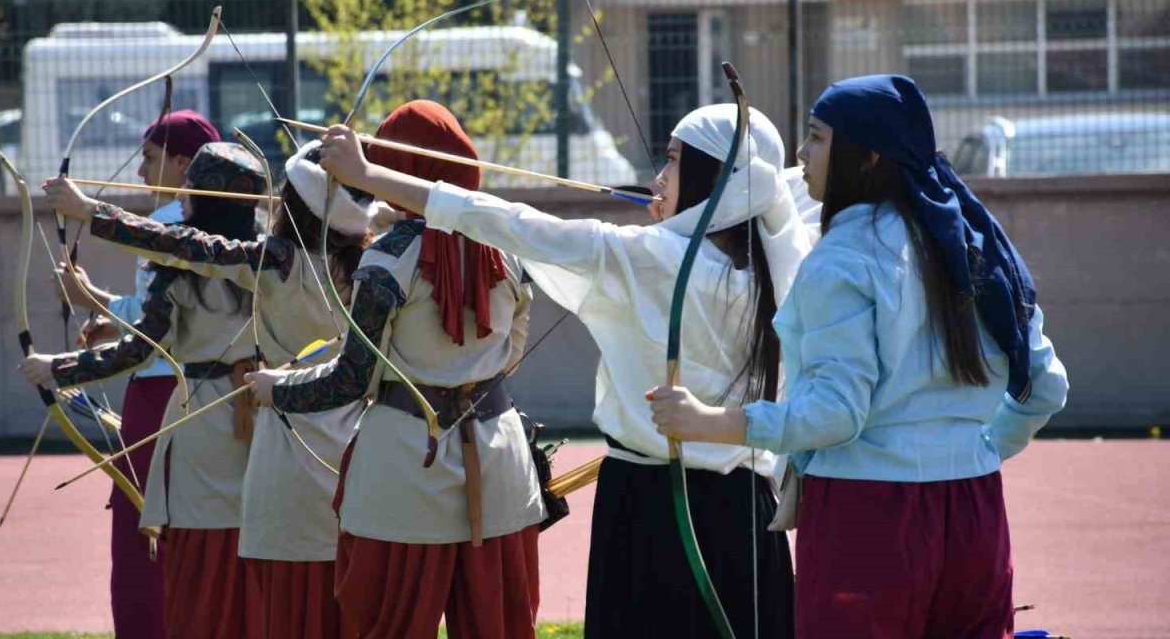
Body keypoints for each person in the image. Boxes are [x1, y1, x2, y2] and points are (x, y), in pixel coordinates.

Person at [309, 102, 811, 638]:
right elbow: (783, 185)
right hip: (747, 513)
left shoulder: (646, 256)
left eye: (673, 161)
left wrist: (367, 175)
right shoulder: (786, 259)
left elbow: (510, 223)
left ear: (715, 179)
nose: (658, 178)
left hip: (652, 506)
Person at [647, 75, 1070, 639]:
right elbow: (1044, 387)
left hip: (868, 517)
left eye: (817, 138)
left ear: (867, 156)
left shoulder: (842, 258)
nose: (800, 154)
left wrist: (708, 422)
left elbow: (834, 414)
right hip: (976, 509)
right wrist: (977, 447)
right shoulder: (974, 241)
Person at [46, 137, 375, 638]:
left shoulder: (274, 262)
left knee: (218, 584)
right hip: (345, 438)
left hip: (271, 433)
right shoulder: (371, 264)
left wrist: (88, 211)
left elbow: (182, 247)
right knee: (316, 586)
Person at [247, 100, 543, 639]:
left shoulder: (386, 260)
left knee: (389, 625)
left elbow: (350, 380)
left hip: (407, 469)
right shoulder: (508, 248)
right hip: (499, 457)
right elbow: (512, 349)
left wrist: (277, 390)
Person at [23, 142, 268, 639]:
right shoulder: (277, 258)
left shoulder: (185, 264)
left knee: (200, 571)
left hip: (204, 430)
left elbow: (140, 351)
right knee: (261, 568)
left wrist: (59, 369)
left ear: (195, 198)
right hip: (269, 426)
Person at [56, 109, 219, 639]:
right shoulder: (202, 225)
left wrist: (86, 213)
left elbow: (163, 326)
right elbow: (163, 311)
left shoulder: (175, 224)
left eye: (151, 159)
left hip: (161, 399)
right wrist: (105, 310)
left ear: (183, 162)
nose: (142, 172)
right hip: (186, 396)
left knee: (146, 539)